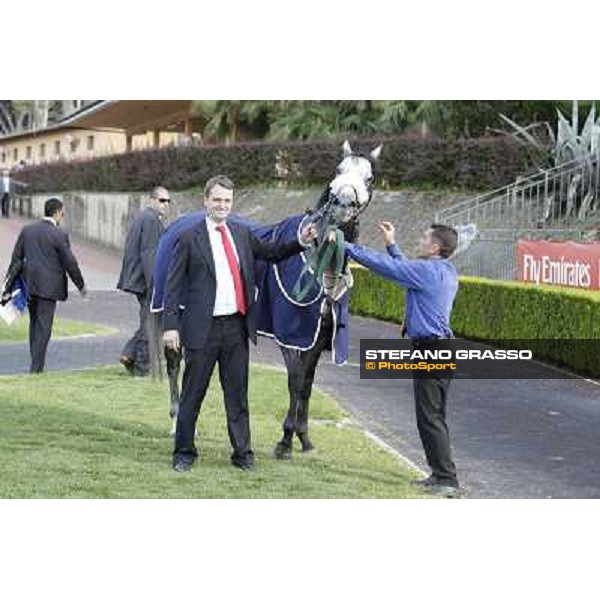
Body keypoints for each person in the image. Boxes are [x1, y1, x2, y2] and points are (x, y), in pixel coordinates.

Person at [163, 175, 316, 472]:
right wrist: (170, 326)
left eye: (227, 201)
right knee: (193, 395)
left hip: (236, 328)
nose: (222, 205)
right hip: (200, 329)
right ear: (206, 200)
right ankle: (184, 453)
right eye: (217, 200)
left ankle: (243, 454)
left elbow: (271, 253)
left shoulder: (241, 233)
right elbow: (173, 285)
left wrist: (300, 241)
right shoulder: (188, 237)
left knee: (237, 396)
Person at [345, 221, 462, 497]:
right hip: (439, 348)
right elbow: (405, 270)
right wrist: (391, 244)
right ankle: (441, 474)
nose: (420, 240)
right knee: (434, 415)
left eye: (424, 237)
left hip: (431, 350)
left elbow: (391, 269)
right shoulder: (441, 270)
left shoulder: (427, 271)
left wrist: (344, 245)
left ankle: (446, 478)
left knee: (429, 417)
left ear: (435, 246)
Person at [4, 197, 87, 373]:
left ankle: (35, 364)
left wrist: (7, 285)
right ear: (57, 212)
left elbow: (15, 258)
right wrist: (80, 285)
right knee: (44, 328)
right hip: (49, 289)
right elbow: (70, 263)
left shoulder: (27, 231)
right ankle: (36, 369)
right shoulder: (59, 234)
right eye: (63, 211)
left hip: (29, 285)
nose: (63, 214)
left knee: (34, 325)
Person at [117, 186, 171, 376]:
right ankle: (141, 366)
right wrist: (155, 285)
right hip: (145, 281)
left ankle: (130, 353)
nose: (165, 205)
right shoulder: (150, 219)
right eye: (161, 200)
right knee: (152, 323)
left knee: (149, 321)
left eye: (167, 201)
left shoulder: (147, 218)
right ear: (152, 200)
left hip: (140, 279)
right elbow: (149, 254)